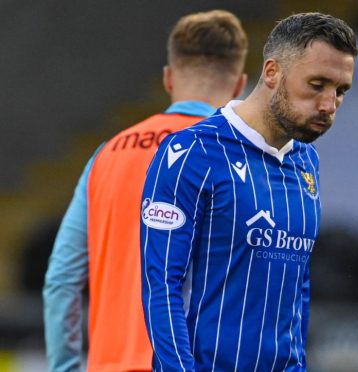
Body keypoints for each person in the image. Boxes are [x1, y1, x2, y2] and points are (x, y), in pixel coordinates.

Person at [140, 12, 357, 371]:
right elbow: (161, 285)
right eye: (317, 84)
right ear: (271, 72)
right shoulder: (191, 152)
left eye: (341, 91)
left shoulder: (307, 161)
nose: (329, 105)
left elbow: (295, 289)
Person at [43, 10, 248, 371]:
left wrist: (65, 367)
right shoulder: (241, 158)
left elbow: (61, 279)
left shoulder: (106, 154)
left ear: (169, 78)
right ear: (238, 86)